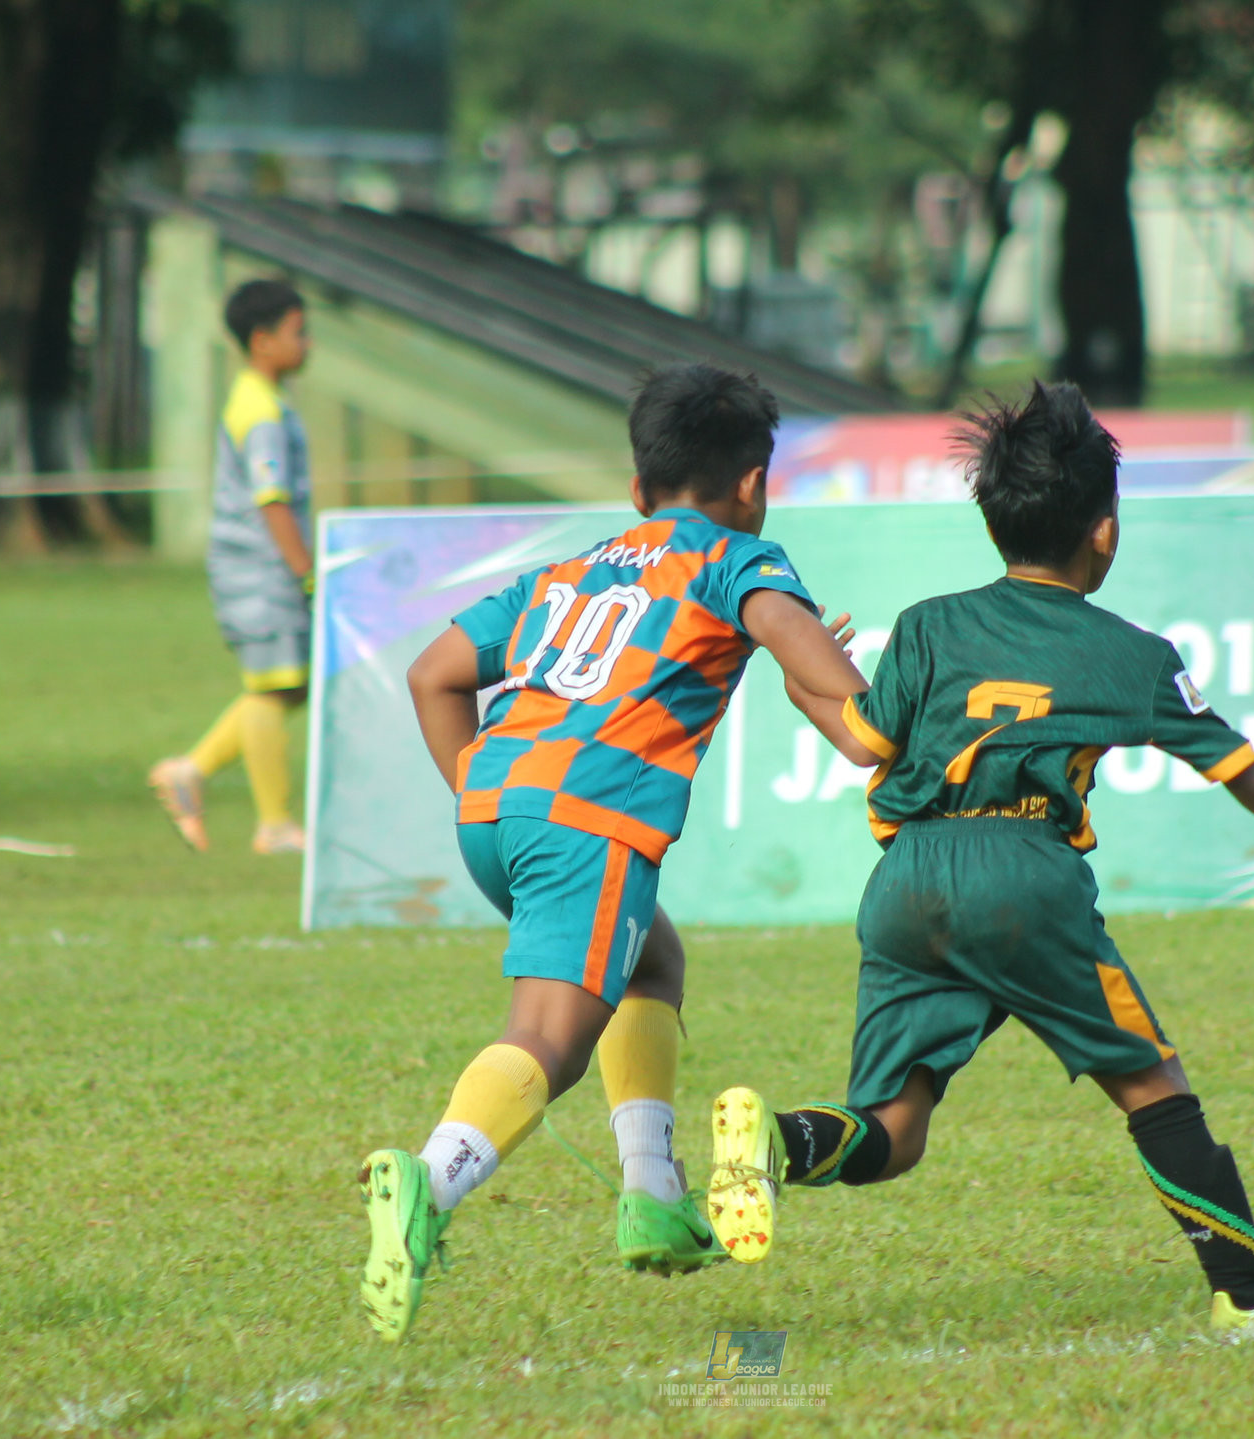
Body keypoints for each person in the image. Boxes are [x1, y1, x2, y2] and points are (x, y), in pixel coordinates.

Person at [700, 381, 1254, 1334]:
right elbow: (1245, 768)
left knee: (893, 1131)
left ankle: (774, 1144)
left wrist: (796, 672)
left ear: (995, 519)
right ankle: (1247, 1303)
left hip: (906, 881)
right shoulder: (1130, 655)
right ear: (1103, 531)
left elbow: (861, 740)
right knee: (1153, 1086)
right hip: (1024, 875)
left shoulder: (933, 623)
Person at [356, 363, 870, 1343]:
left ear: (638, 488)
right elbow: (813, 671)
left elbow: (433, 673)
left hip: (493, 799)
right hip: (584, 821)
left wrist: (483, 789)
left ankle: (649, 1195)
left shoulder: (573, 570)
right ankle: (427, 1182)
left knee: (652, 959)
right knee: (548, 1036)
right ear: (755, 484)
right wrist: (850, 694)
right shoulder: (734, 560)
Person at [149, 280, 315, 855]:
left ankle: (190, 771)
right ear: (262, 341)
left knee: (292, 686)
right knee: (275, 687)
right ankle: (274, 824)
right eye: (299, 332)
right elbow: (271, 499)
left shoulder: (260, 399)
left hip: (261, 567)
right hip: (260, 569)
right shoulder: (260, 411)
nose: (308, 343)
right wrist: (306, 572)